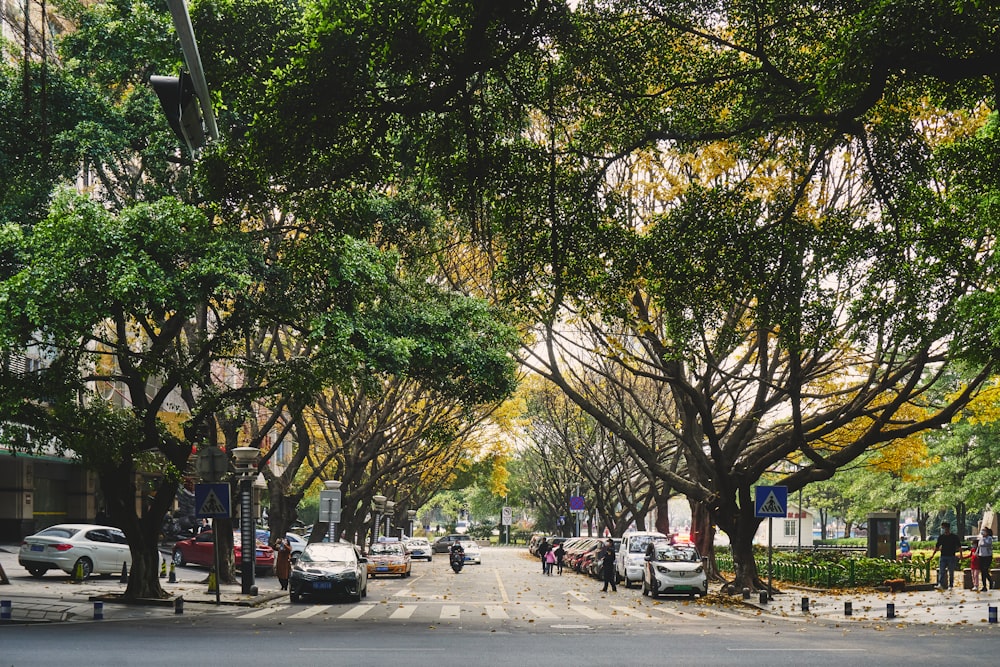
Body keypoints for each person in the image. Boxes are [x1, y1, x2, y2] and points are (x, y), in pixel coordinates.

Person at [931, 521, 963, 589]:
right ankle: (940, 584)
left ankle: (951, 585)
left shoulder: (954, 537)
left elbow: (959, 546)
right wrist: (932, 555)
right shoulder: (941, 537)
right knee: (941, 571)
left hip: (951, 556)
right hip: (943, 556)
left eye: (943, 527)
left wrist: (961, 555)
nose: (942, 529)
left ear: (947, 528)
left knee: (951, 571)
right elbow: (937, 547)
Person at [977, 527, 994, 592]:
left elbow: (987, 544)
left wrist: (984, 538)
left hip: (988, 556)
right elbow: (979, 547)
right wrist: (977, 554)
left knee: (985, 570)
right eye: (982, 530)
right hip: (981, 556)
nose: (982, 532)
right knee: (982, 571)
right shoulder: (981, 538)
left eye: (984, 531)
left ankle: (991, 581)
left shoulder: (989, 538)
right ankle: (984, 586)